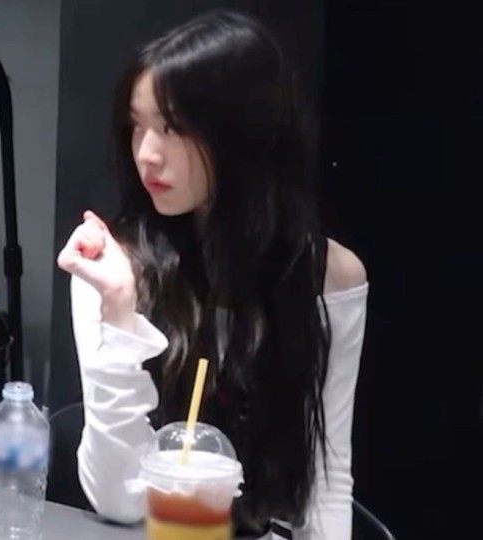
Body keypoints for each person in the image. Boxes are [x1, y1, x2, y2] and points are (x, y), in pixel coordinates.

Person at [57, 9, 368, 540]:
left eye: (172, 128)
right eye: (137, 126)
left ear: (244, 131)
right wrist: (118, 311)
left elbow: (327, 480)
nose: (146, 154)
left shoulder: (327, 276)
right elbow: (117, 500)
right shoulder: (113, 266)